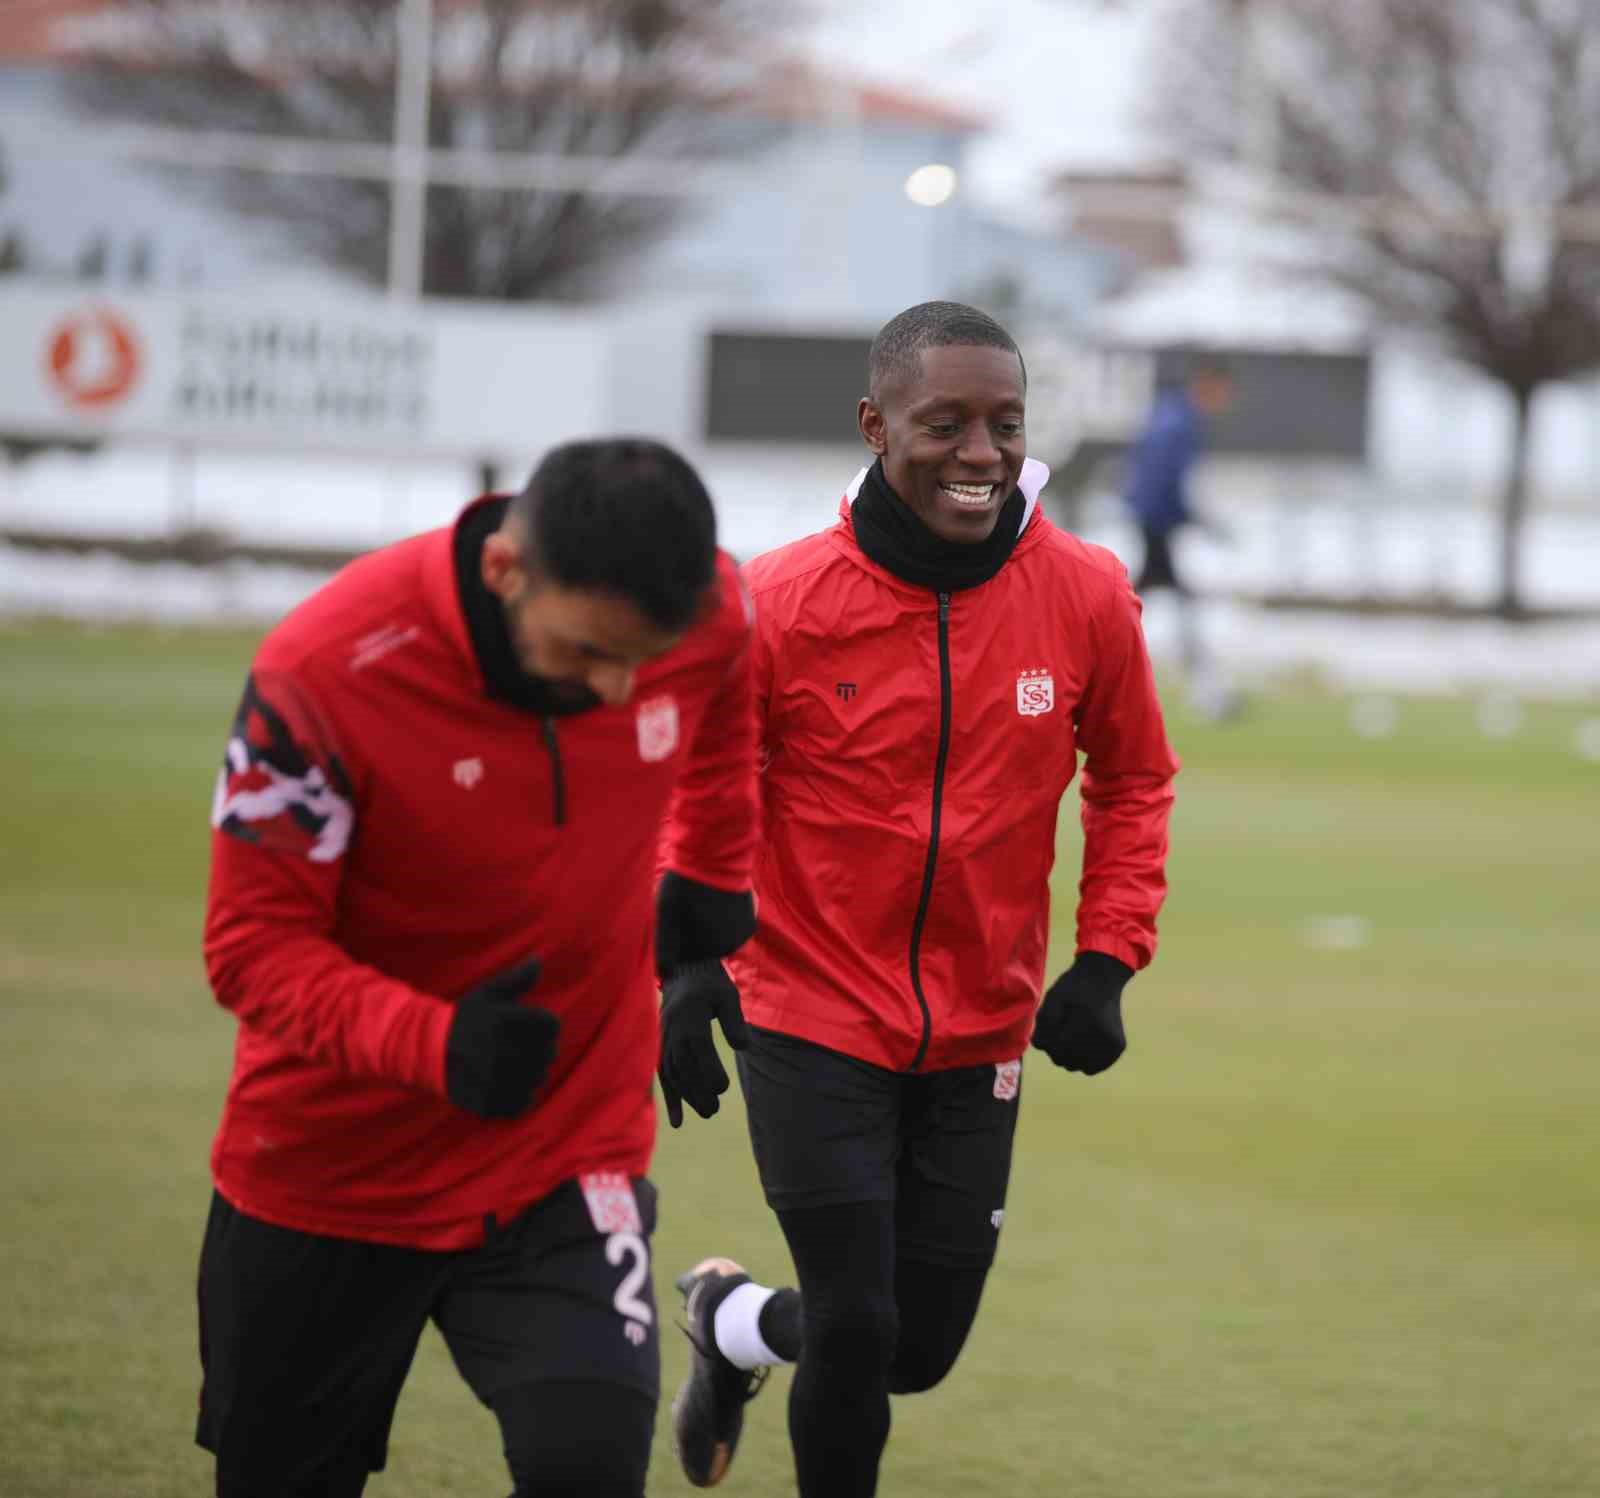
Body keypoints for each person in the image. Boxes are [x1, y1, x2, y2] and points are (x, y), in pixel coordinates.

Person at [657, 302, 1180, 1496]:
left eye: (1004, 423)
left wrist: (1106, 959)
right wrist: (683, 963)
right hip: (804, 1010)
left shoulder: (1087, 594)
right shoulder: (779, 599)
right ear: (874, 423)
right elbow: (702, 789)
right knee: (854, 1322)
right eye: (944, 423)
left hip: (982, 1022)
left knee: (917, 1347)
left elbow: (1135, 777)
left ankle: (731, 1324)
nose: (981, 452)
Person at [196, 437, 759, 1497]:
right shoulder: (321, 672)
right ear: (507, 573)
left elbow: (727, 677)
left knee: (589, 1465)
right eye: (588, 652)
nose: (620, 687)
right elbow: (249, 947)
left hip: (563, 1142)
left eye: (646, 657)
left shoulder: (705, 608)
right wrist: (437, 1042)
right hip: (327, 1168)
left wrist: (712, 871)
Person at [1121, 352, 1235, 686]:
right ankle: (1205, 684)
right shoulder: (1179, 421)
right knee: (1150, 595)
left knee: (1153, 592)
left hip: (1154, 517)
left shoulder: (1175, 415)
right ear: (1209, 384)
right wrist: (1186, 516)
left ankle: (1202, 678)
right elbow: (1162, 476)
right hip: (1155, 519)